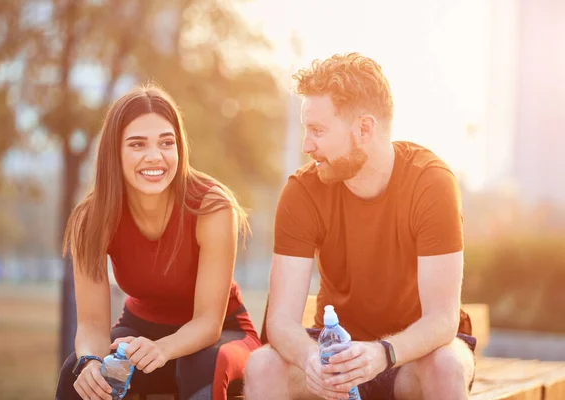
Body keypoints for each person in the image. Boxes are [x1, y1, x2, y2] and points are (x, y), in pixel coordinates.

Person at [244, 53, 477, 400]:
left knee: (448, 367)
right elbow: (280, 321)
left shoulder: (432, 183)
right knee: (261, 367)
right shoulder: (302, 191)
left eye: (318, 131)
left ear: (364, 129)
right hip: (335, 358)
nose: (307, 145)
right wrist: (312, 360)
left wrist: (381, 353)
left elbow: (442, 320)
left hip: (415, 356)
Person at [55, 85, 261, 400]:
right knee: (79, 377)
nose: (155, 157)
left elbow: (207, 323)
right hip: (141, 332)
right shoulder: (91, 218)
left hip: (222, 335)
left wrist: (161, 349)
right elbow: (93, 325)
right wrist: (90, 361)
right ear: (115, 152)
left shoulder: (211, 206)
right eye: (137, 144)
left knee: (203, 365)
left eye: (167, 143)